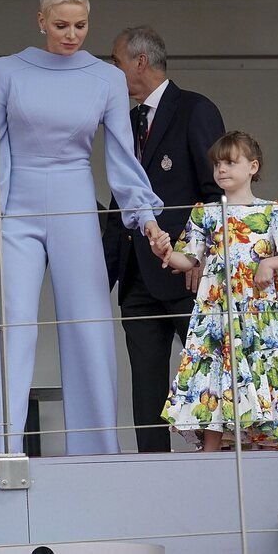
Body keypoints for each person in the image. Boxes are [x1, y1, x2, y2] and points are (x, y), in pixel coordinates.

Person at [0, 0, 167, 458]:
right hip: (19, 207)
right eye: (61, 25)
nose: (72, 34)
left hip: (75, 201)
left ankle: (96, 449)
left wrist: (145, 218)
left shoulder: (107, 78)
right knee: (16, 322)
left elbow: (120, 158)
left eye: (81, 25)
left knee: (89, 323)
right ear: (41, 21)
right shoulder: (5, 71)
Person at [104, 25, 225, 452]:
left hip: (186, 274)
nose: (112, 71)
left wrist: (204, 257)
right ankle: (151, 469)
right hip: (135, 274)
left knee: (206, 373)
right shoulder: (122, 119)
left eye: (116, 62)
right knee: (146, 386)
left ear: (140, 61)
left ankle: (215, 461)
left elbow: (217, 191)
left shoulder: (194, 109)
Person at [153, 131, 278, 451]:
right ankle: (211, 453)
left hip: (258, 308)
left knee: (261, 366)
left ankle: (267, 447)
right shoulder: (205, 212)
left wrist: (270, 264)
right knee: (215, 369)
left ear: (253, 167)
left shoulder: (272, 211)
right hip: (217, 308)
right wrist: (167, 253)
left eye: (230, 162)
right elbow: (189, 258)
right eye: (217, 164)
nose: (221, 170)